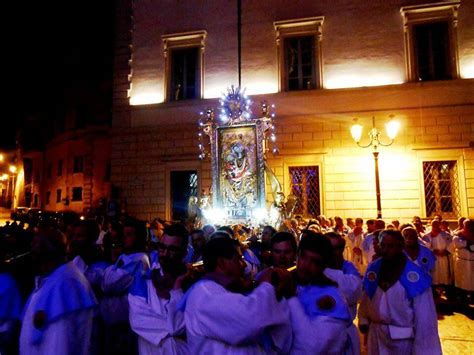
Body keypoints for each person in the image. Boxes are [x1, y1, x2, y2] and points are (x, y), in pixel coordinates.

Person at [180, 236, 292, 354]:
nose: (243, 265)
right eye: (239, 259)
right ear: (222, 263)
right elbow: (249, 321)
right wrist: (266, 285)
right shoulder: (204, 294)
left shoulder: (224, 291)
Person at [358, 229, 442, 355]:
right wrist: (363, 318)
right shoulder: (374, 268)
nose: (386, 250)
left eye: (390, 246)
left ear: (401, 247)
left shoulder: (415, 277)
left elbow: (425, 319)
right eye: (383, 246)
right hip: (376, 336)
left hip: (401, 340)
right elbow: (367, 295)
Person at [20, 228, 97, 355]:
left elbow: (58, 345)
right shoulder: (51, 279)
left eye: (37, 246)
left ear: (49, 251)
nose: (31, 251)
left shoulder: (64, 285)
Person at [128, 223, 189, 354]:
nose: (165, 254)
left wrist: (177, 289)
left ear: (184, 253)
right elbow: (138, 321)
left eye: (172, 249)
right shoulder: (144, 282)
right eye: (162, 248)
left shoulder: (193, 284)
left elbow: (181, 327)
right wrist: (173, 329)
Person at [289, 233, 353, 354]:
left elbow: (314, 346)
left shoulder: (331, 295)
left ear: (324, 265)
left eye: (315, 261)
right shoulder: (289, 283)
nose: (306, 265)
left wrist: (291, 299)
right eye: (303, 257)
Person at [324, 232, 363, 354]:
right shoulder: (313, 269)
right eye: (329, 248)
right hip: (322, 333)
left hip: (345, 331)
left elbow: (354, 291)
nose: (333, 252)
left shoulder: (349, 268)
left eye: (337, 248)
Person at [422, 219, 452, 287]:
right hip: (433, 257)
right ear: (431, 225)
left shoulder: (446, 234)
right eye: (434, 225)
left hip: (444, 256)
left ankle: (445, 287)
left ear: (439, 225)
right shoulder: (427, 236)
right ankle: (435, 288)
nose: (435, 226)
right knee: (435, 273)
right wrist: (433, 250)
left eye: (437, 225)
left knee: (444, 272)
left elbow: (451, 244)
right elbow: (425, 246)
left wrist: (446, 251)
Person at [452, 219, 474, 302]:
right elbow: (458, 244)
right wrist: (468, 242)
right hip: (462, 262)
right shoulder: (458, 234)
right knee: (462, 281)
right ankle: (462, 299)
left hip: (472, 262)